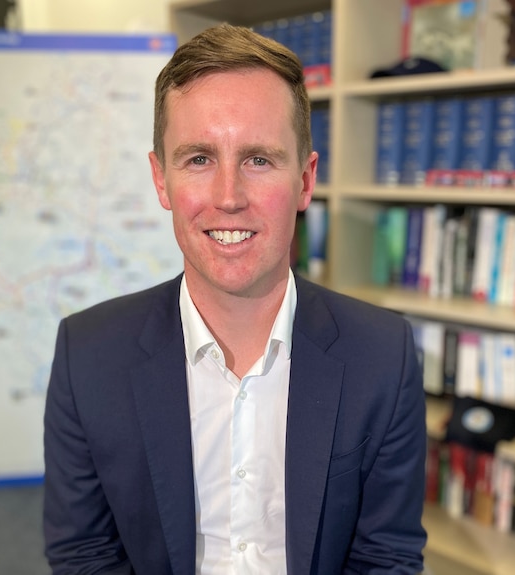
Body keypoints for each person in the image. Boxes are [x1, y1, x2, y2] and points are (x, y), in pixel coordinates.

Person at [43, 23, 427, 574]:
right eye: (199, 159)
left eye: (259, 159)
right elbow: (84, 555)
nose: (228, 198)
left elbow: (386, 557)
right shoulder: (87, 355)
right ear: (160, 180)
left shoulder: (384, 356)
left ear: (304, 180)